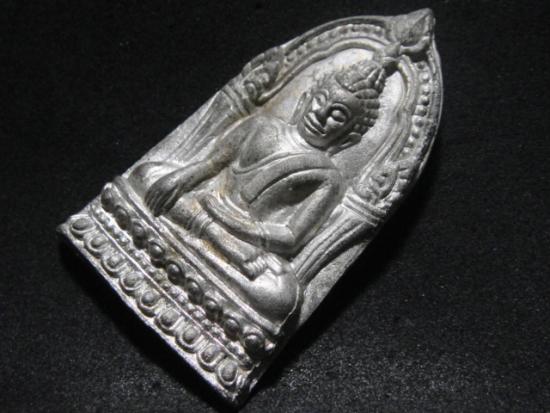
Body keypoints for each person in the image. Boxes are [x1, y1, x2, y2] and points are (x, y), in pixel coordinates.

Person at [129, 58, 388, 321]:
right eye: (320, 100)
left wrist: (242, 228)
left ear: (348, 137)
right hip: (209, 213)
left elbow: (291, 237)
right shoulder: (260, 124)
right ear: (305, 99)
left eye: (337, 115)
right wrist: (181, 179)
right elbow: (211, 164)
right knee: (146, 175)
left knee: (281, 294)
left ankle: (207, 237)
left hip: (246, 239)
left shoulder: (328, 178)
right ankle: (214, 238)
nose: (321, 114)